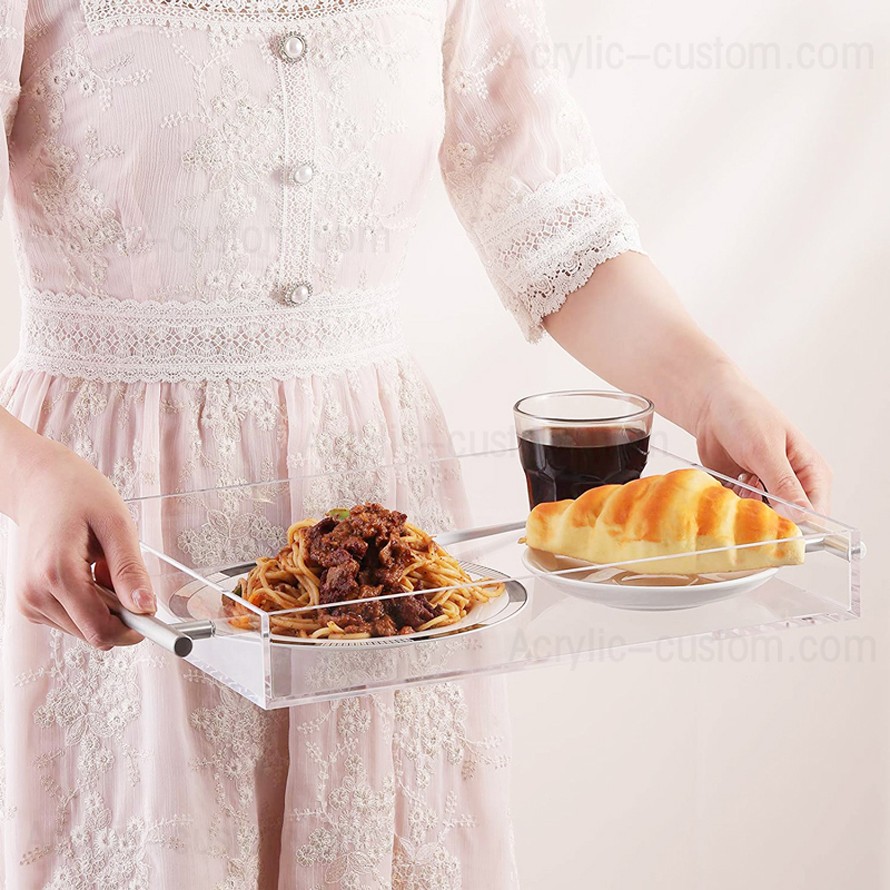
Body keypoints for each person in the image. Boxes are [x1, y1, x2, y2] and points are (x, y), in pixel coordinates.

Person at [0, 0, 831, 887]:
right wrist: (30, 473)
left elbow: (558, 229)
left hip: (384, 517)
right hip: (111, 515)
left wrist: (712, 387)